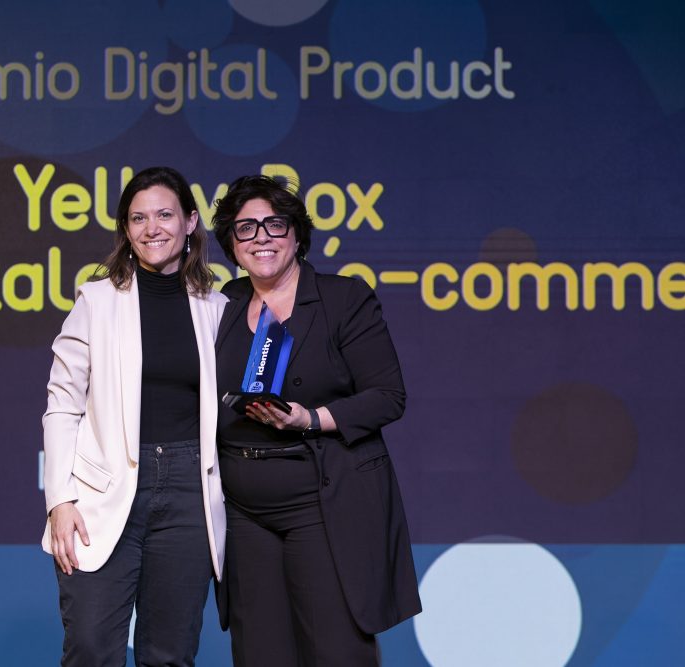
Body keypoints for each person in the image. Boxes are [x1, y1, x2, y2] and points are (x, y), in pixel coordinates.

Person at [211, 174, 421, 666]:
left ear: (297, 233)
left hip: (322, 503)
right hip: (243, 514)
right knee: (259, 656)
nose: (260, 237)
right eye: (245, 228)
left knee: (336, 652)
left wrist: (311, 417)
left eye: (274, 224)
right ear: (231, 244)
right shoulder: (222, 305)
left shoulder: (343, 299)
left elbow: (388, 397)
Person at [41, 166, 228, 666]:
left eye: (164, 215)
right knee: (91, 648)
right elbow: (61, 403)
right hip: (102, 494)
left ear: (190, 222)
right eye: (138, 218)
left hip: (189, 493)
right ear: (125, 229)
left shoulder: (217, 308)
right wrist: (59, 499)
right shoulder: (96, 301)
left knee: (169, 655)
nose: (152, 229)